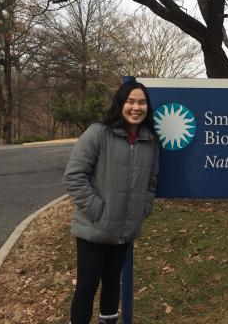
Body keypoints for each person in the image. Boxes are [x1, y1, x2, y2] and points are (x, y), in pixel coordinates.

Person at [63, 77, 159, 324]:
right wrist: (98, 211)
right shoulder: (98, 133)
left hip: (125, 229)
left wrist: (142, 210)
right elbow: (74, 176)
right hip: (93, 229)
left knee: (112, 284)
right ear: (120, 103)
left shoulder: (149, 140)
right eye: (130, 101)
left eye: (142, 102)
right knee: (86, 288)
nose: (136, 107)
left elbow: (151, 180)